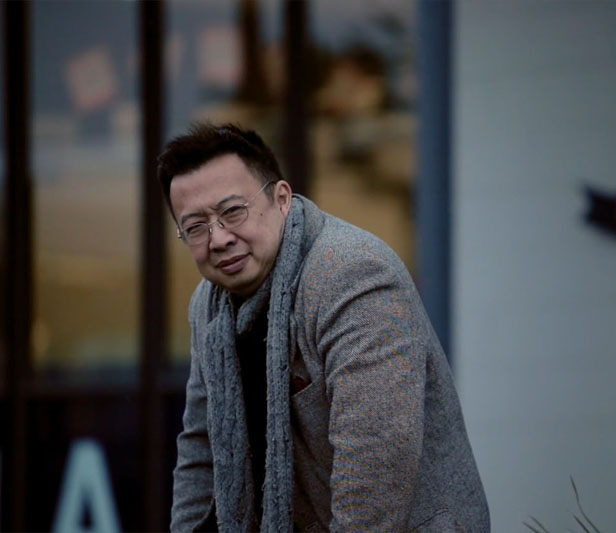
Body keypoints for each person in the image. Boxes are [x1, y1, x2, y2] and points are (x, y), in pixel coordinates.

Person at [159, 123, 490, 532]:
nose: (219, 238)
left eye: (232, 211)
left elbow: (375, 467)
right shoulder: (208, 307)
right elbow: (201, 451)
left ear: (281, 199)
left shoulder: (351, 275)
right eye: (195, 227)